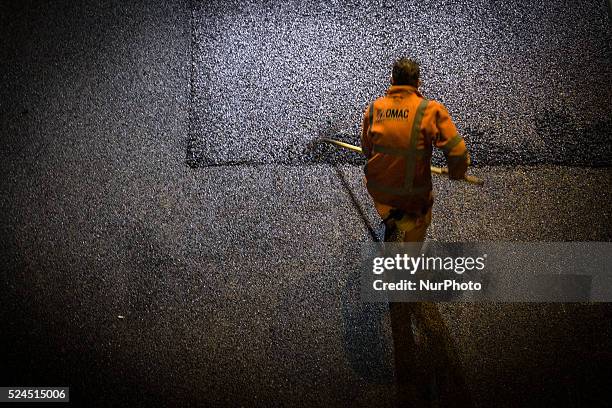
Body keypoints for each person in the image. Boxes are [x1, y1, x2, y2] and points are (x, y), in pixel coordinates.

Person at [361, 57, 470, 243]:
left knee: (374, 187)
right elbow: (457, 151)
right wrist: (457, 172)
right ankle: (408, 261)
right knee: (420, 221)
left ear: (392, 80)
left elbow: (366, 149)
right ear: (418, 83)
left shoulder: (374, 108)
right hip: (413, 196)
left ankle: (391, 218)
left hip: (378, 189)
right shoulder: (431, 110)